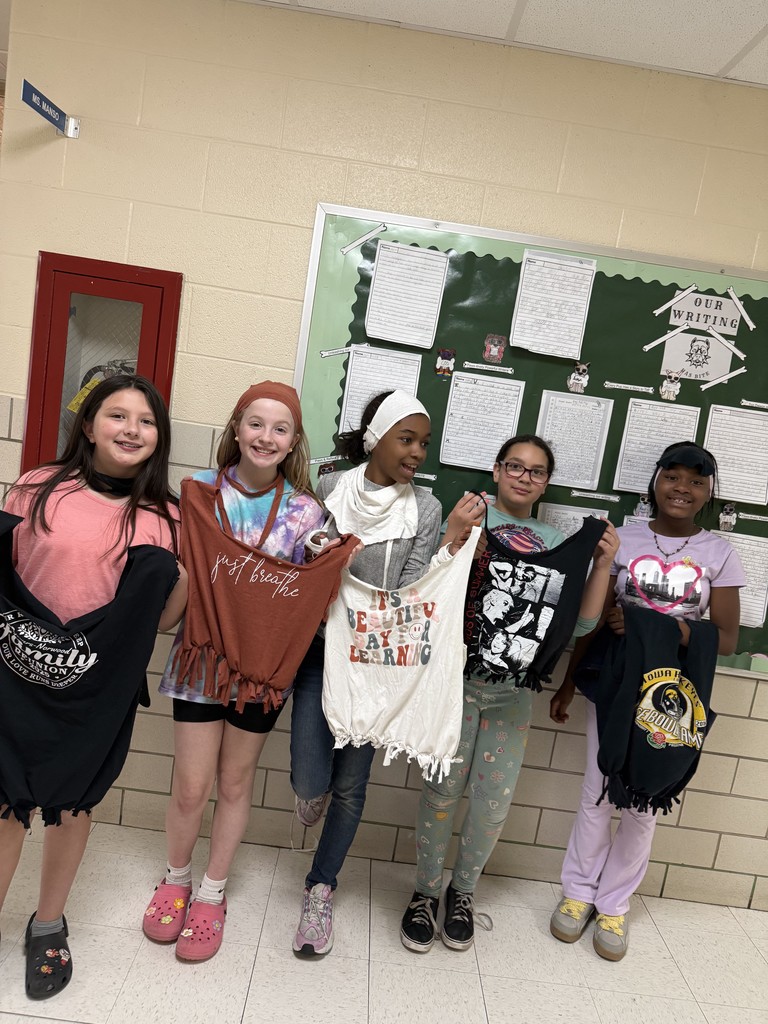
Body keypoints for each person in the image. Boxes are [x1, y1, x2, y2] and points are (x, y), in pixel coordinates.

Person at [0, 374, 186, 999]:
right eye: (117, 415)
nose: (132, 429)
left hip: (97, 691)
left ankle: (48, 922)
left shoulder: (165, 518)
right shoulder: (37, 487)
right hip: (17, 676)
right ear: (88, 426)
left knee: (72, 808)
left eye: (147, 421)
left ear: (158, 440)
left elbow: (160, 618)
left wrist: (193, 574)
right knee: (3, 807)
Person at [399, 434, 619, 953]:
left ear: (546, 483)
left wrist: (602, 565)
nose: (524, 476)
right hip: (452, 689)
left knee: (492, 806)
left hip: (513, 695)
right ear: (496, 471)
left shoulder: (557, 541)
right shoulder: (471, 519)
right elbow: (429, 589)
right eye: (514, 466)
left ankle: (462, 893)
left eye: (537, 471)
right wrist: (455, 533)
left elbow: (584, 620)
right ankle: (424, 894)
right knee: (439, 798)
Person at [142, 381, 327, 962]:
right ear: (236, 428)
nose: (265, 437)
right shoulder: (198, 494)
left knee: (235, 783)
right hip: (201, 660)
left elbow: (308, 589)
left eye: (279, 428)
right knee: (192, 784)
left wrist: (327, 556)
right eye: (255, 423)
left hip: (262, 673)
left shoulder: (305, 512)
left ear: (294, 440)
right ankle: (175, 880)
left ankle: (213, 895)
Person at [290, 389, 474, 958]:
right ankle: (309, 794)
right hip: (321, 651)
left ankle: (321, 888)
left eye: (424, 441)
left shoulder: (425, 508)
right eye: (407, 438)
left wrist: (450, 541)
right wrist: (316, 549)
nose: (418, 451)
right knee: (310, 776)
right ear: (376, 437)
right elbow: (299, 555)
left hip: (380, 665)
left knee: (351, 786)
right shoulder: (328, 488)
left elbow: (411, 587)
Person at [549, 441, 744, 962]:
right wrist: (570, 680)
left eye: (696, 481)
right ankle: (577, 894)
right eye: (673, 476)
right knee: (598, 786)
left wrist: (651, 624)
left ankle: (614, 904)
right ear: (655, 482)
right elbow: (595, 616)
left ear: (708, 492)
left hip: (673, 690)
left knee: (646, 796)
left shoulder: (720, 553)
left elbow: (725, 638)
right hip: (614, 678)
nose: (683, 488)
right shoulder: (625, 539)